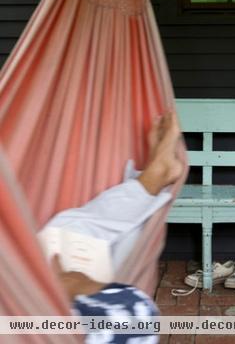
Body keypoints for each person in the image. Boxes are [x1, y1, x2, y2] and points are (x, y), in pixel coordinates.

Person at [47, 112, 184, 344]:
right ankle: (155, 176)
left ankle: (154, 177)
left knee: (91, 245)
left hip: (123, 317)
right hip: (124, 317)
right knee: (65, 240)